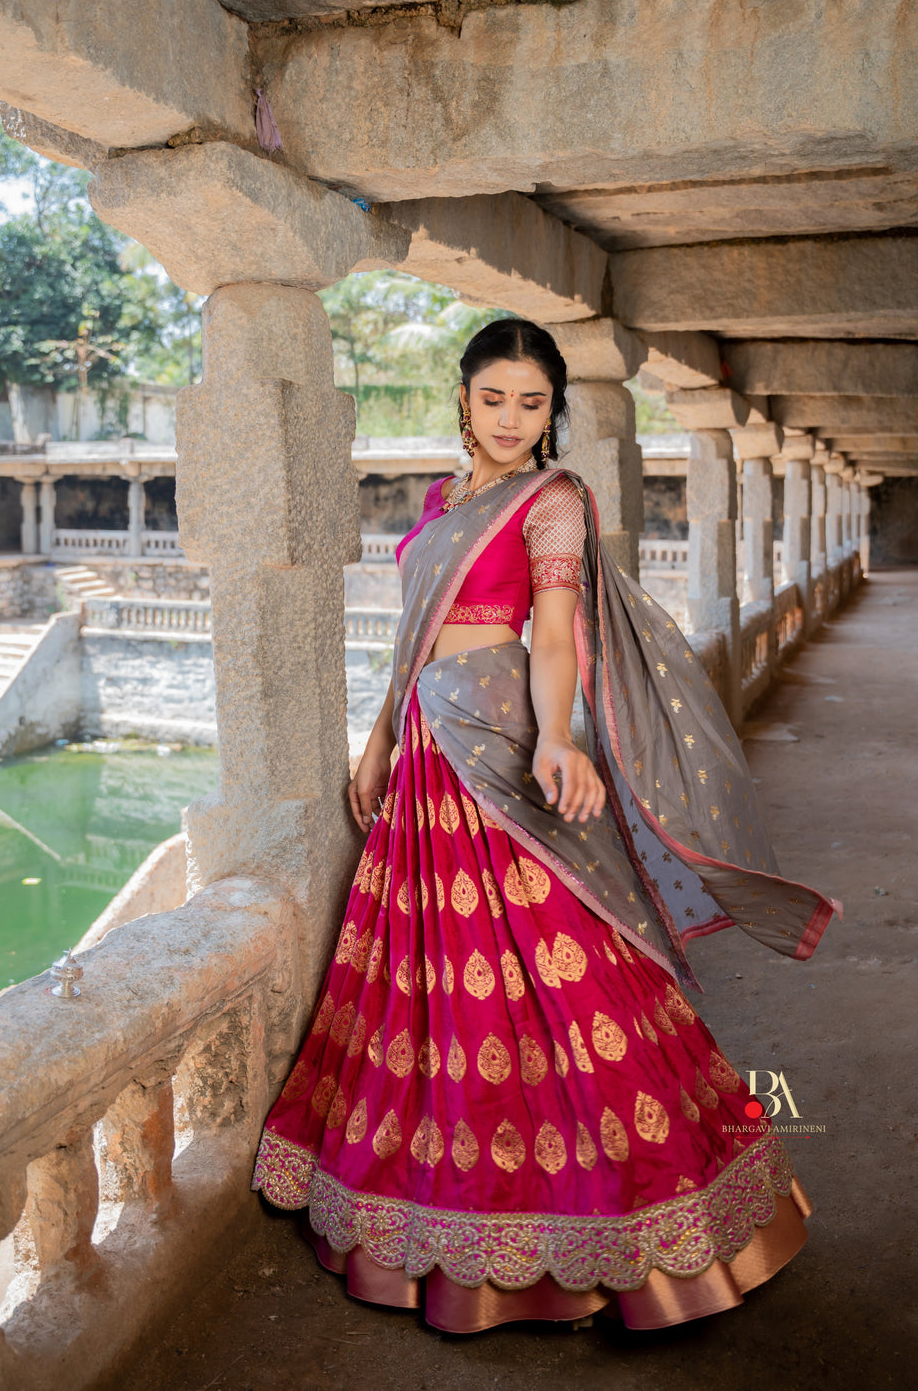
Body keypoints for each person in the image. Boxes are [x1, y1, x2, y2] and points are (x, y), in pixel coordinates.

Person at [253, 318, 838, 1333]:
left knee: (559, 965)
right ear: (463, 398)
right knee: (435, 979)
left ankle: (642, 1227)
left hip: (498, 735)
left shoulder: (553, 499)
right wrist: (379, 740)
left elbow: (556, 636)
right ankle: (442, 1208)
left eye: (532, 403)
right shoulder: (444, 501)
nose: (511, 419)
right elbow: (409, 636)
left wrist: (558, 737)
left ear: (553, 410)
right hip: (426, 751)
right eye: (494, 399)